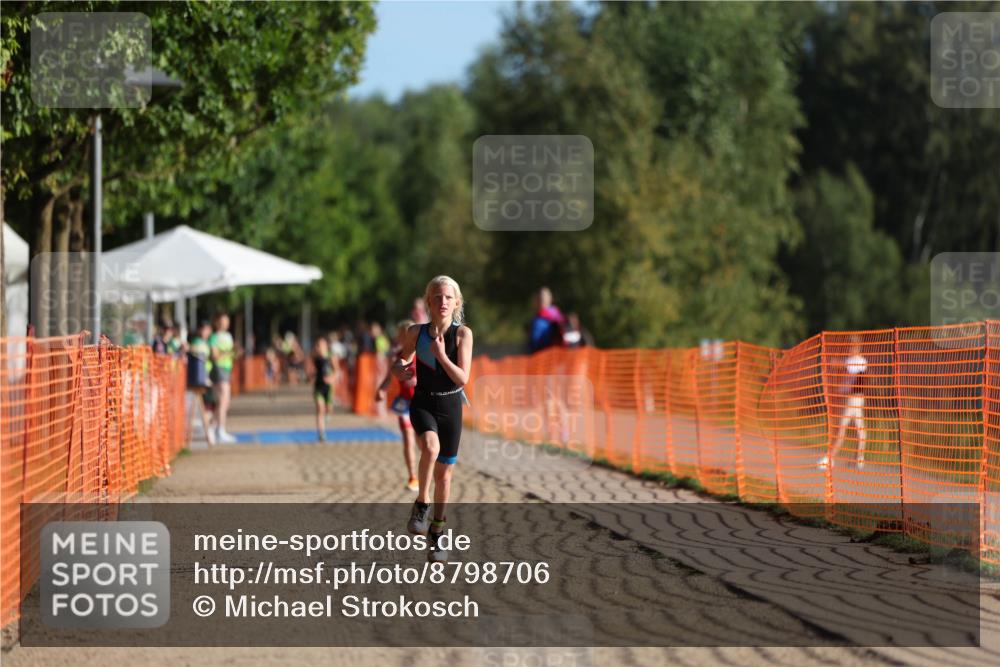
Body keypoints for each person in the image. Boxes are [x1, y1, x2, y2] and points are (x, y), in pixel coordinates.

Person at [392, 276, 473, 562]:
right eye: (437, 297)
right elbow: (400, 360)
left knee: (445, 474)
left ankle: (437, 533)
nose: (443, 302)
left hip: (451, 405)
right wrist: (399, 369)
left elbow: (463, 377)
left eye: (448, 297)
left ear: (456, 302)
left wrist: (441, 355)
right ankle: (422, 502)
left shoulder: (463, 334)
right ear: (428, 301)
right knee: (430, 448)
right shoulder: (416, 332)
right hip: (424, 401)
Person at [376, 320, 419, 491]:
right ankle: (413, 476)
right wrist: (381, 390)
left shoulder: (425, 353)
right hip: (405, 404)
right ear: (401, 338)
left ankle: (426, 472)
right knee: (408, 439)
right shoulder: (398, 356)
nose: (409, 337)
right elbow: (389, 377)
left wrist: (418, 381)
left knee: (423, 443)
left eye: (412, 333)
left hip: (423, 402)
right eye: (405, 334)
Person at [820, 337, 869, 471]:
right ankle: (856, 458)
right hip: (849, 399)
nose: (849, 349)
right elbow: (846, 380)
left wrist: (837, 363)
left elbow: (856, 377)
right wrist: (840, 390)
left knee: (847, 429)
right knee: (855, 430)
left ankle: (831, 458)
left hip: (855, 399)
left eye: (852, 346)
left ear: (857, 347)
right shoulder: (850, 360)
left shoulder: (860, 361)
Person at [208, 312, 237, 444]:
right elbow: (215, 356)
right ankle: (220, 430)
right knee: (223, 399)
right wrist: (227, 353)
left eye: (227, 320)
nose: (225, 323)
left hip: (227, 369)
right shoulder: (214, 337)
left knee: (226, 402)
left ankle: (213, 426)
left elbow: (230, 354)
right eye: (223, 320)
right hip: (218, 369)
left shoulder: (229, 336)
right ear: (217, 322)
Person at [187, 321, 216, 447]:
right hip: (200, 379)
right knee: (209, 402)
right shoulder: (197, 343)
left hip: (205, 377)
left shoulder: (205, 343)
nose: (208, 332)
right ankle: (205, 426)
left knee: (211, 403)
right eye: (205, 329)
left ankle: (207, 424)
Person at [527, 287, 566, 353]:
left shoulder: (538, 321)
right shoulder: (559, 315)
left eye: (541, 299)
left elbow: (534, 345)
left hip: (545, 357)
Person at [312, 337, 336, 442]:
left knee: (328, 408)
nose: (319, 348)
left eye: (321, 345)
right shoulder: (315, 358)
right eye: (318, 345)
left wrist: (332, 378)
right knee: (320, 409)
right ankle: (321, 433)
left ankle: (329, 414)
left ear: (326, 346)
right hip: (318, 386)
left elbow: (337, 371)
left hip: (329, 388)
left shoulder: (331, 357)